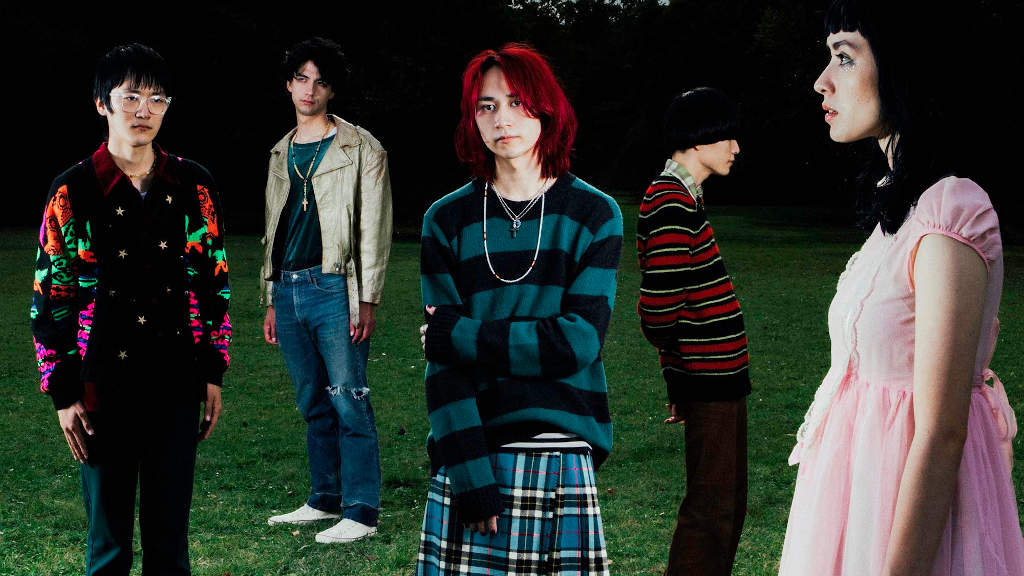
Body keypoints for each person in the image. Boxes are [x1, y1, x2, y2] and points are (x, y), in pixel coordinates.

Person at [779, 1, 1024, 574]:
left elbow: (941, 432)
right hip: (859, 495)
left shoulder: (951, 208)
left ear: (902, 65)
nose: (822, 81)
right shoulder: (903, 211)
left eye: (844, 57)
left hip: (904, 525)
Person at [415, 43, 622, 575]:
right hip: (473, 451)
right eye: (486, 106)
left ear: (546, 109)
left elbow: (576, 342)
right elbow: (443, 368)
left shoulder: (595, 214)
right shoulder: (446, 220)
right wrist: (470, 476)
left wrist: (461, 335)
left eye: (516, 102)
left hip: (562, 449)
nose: (501, 119)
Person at [31, 43, 231, 575]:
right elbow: (50, 296)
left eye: (157, 98)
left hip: (177, 382)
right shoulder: (72, 191)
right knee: (108, 544)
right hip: (100, 388)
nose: (145, 110)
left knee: (170, 542)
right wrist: (62, 391)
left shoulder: (193, 185)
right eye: (131, 96)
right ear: (102, 102)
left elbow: (214, 283)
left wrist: (213, 369)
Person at [261, 36, 392, 544]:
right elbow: (273, 228)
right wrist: (271, 297)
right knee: (312, 400)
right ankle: (324, 498)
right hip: (289, 288)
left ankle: (361, 510)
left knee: (348, 398)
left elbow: (375, 227)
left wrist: (368, 298)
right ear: (288, 84)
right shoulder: (280, 151)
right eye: (301, 79)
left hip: (336, 286)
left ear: (331, 89)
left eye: (319, 81)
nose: (309, 90)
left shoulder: (362, 148)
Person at [636, 87, 750, 576]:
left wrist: (677, 376)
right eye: (728, 137)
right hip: (711, 378)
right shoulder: (670, 201)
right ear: (700, 140)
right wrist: (684, 373)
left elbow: (677, 301)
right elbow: (660, 309)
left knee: (725, 503)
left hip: (714, 377)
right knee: (712, 511)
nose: (736, 148)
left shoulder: (684, 197)